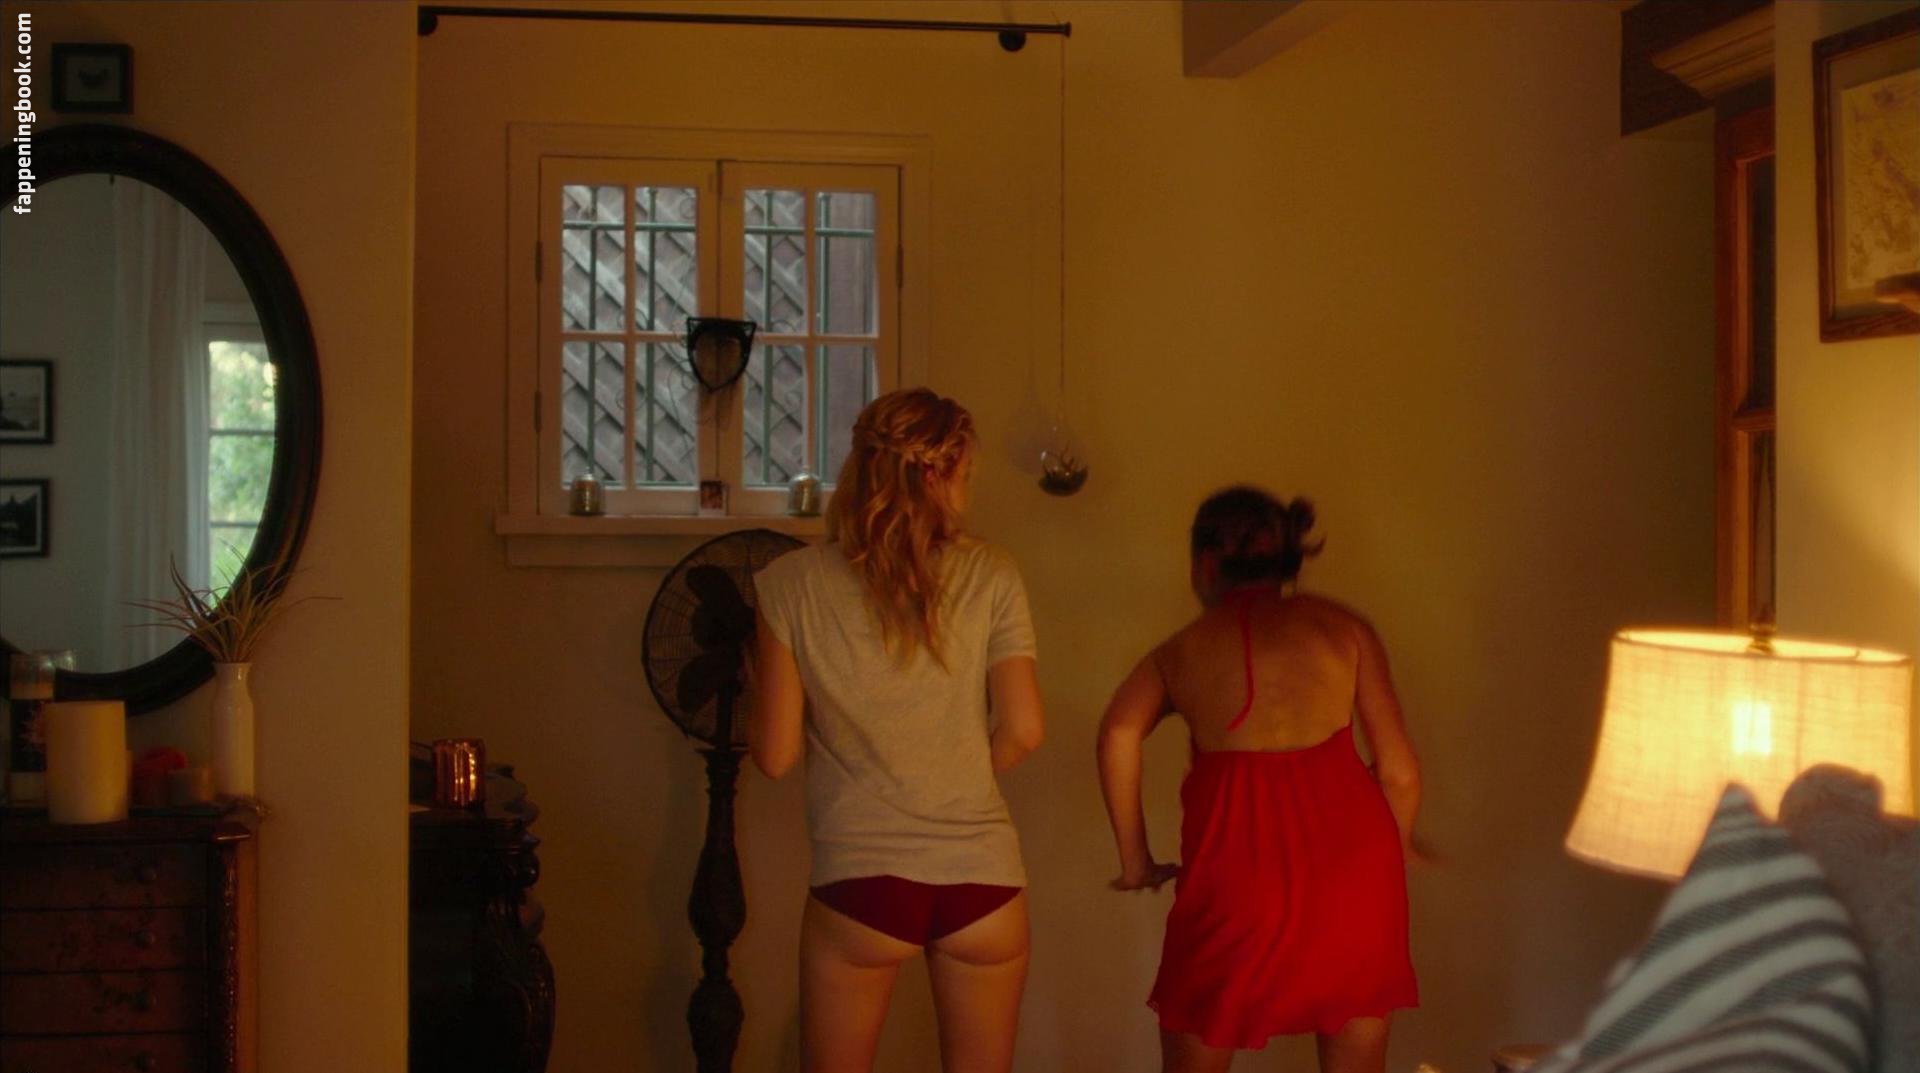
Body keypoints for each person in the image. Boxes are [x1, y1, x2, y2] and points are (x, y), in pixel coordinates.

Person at [750, 388, 1045, 1073]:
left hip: (862, 883)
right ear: (943, 475)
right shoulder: (993, 573)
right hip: (984, 882)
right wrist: (954, 771)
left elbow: (775, 755)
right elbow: (1024, 729)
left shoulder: (787, 585)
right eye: (967, 475)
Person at [1097, 487, 1421, 1073]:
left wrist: (1136, 861)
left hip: (1234, 883)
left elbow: (1118, 733)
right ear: (1289, 556)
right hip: (1354, 879)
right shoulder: (1344, 629)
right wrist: (1391, 857)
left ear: (1204, 565)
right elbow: (1398, 773)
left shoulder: (1179, 652)